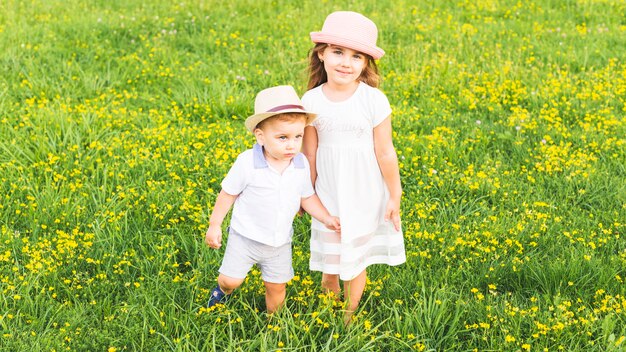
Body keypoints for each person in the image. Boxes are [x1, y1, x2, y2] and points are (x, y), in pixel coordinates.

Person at [301, 11, 406, 323]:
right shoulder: (311, 100)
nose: (346, 62)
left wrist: (394, 196)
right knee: (330, 260)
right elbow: (309, 154)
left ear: (365, 64)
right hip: (328, 191)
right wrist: (306, 196)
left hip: (364, 190)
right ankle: (325, 310)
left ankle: (349, 316)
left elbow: (386, 152)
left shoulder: (373, 100)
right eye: (338, 52)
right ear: (321, 54)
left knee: (355, 259)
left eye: (356, 56)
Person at [204, 85, 341, 313]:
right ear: (260, 136)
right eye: (282, 137)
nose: (291, 144)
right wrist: (214, 224)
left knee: (276, 287)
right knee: (231, 280)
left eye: (298, 136)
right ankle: (222, 290)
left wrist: (326, 218)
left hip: (279, 242)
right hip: (245, 237)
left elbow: (306, 196)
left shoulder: (300, 164)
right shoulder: (247, 162)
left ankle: (273, 324)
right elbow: (228, 193)